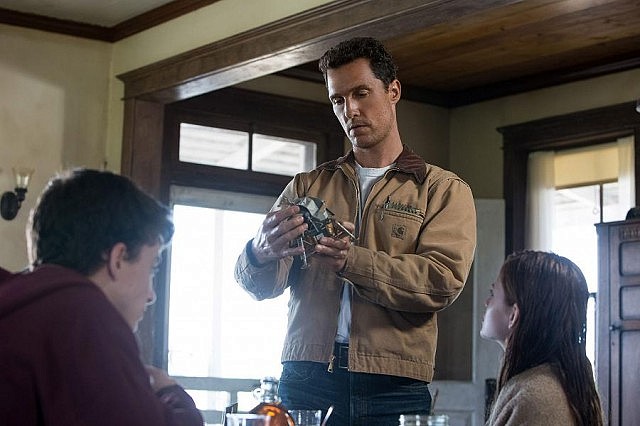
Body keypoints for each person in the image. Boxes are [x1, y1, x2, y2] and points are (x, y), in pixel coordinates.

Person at [235, 37, 476, 425]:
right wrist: (258, 253)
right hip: (305, 372)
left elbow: (441, 281)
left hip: (393, 382)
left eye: (361, 93)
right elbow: (262, 286)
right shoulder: (304, 186)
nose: (351, 110)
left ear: (393, 90)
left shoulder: (443, 189)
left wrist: (353, 261)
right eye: (338, 100)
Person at [0, 169, 203, 426]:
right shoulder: (83, 316)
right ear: (118, 259)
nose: (151, 295)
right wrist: (170, 392)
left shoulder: (20, 303)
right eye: (152, 268)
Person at [481, 251, 603, 425]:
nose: (487, 302)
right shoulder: (548, 384)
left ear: (513, 315)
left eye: (492, 293)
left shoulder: (535, 399)